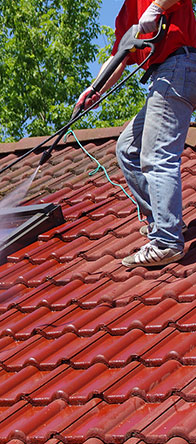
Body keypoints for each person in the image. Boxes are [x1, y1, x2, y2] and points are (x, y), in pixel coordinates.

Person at [75, 0, 196, 267]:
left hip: (179, 67)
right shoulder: (126, 14)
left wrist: (156, 8)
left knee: (156, 155)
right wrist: (96, 88)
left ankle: (166, 241)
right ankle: (163, 220)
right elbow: (121, 56)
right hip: (167, 75)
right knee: (128, 148)